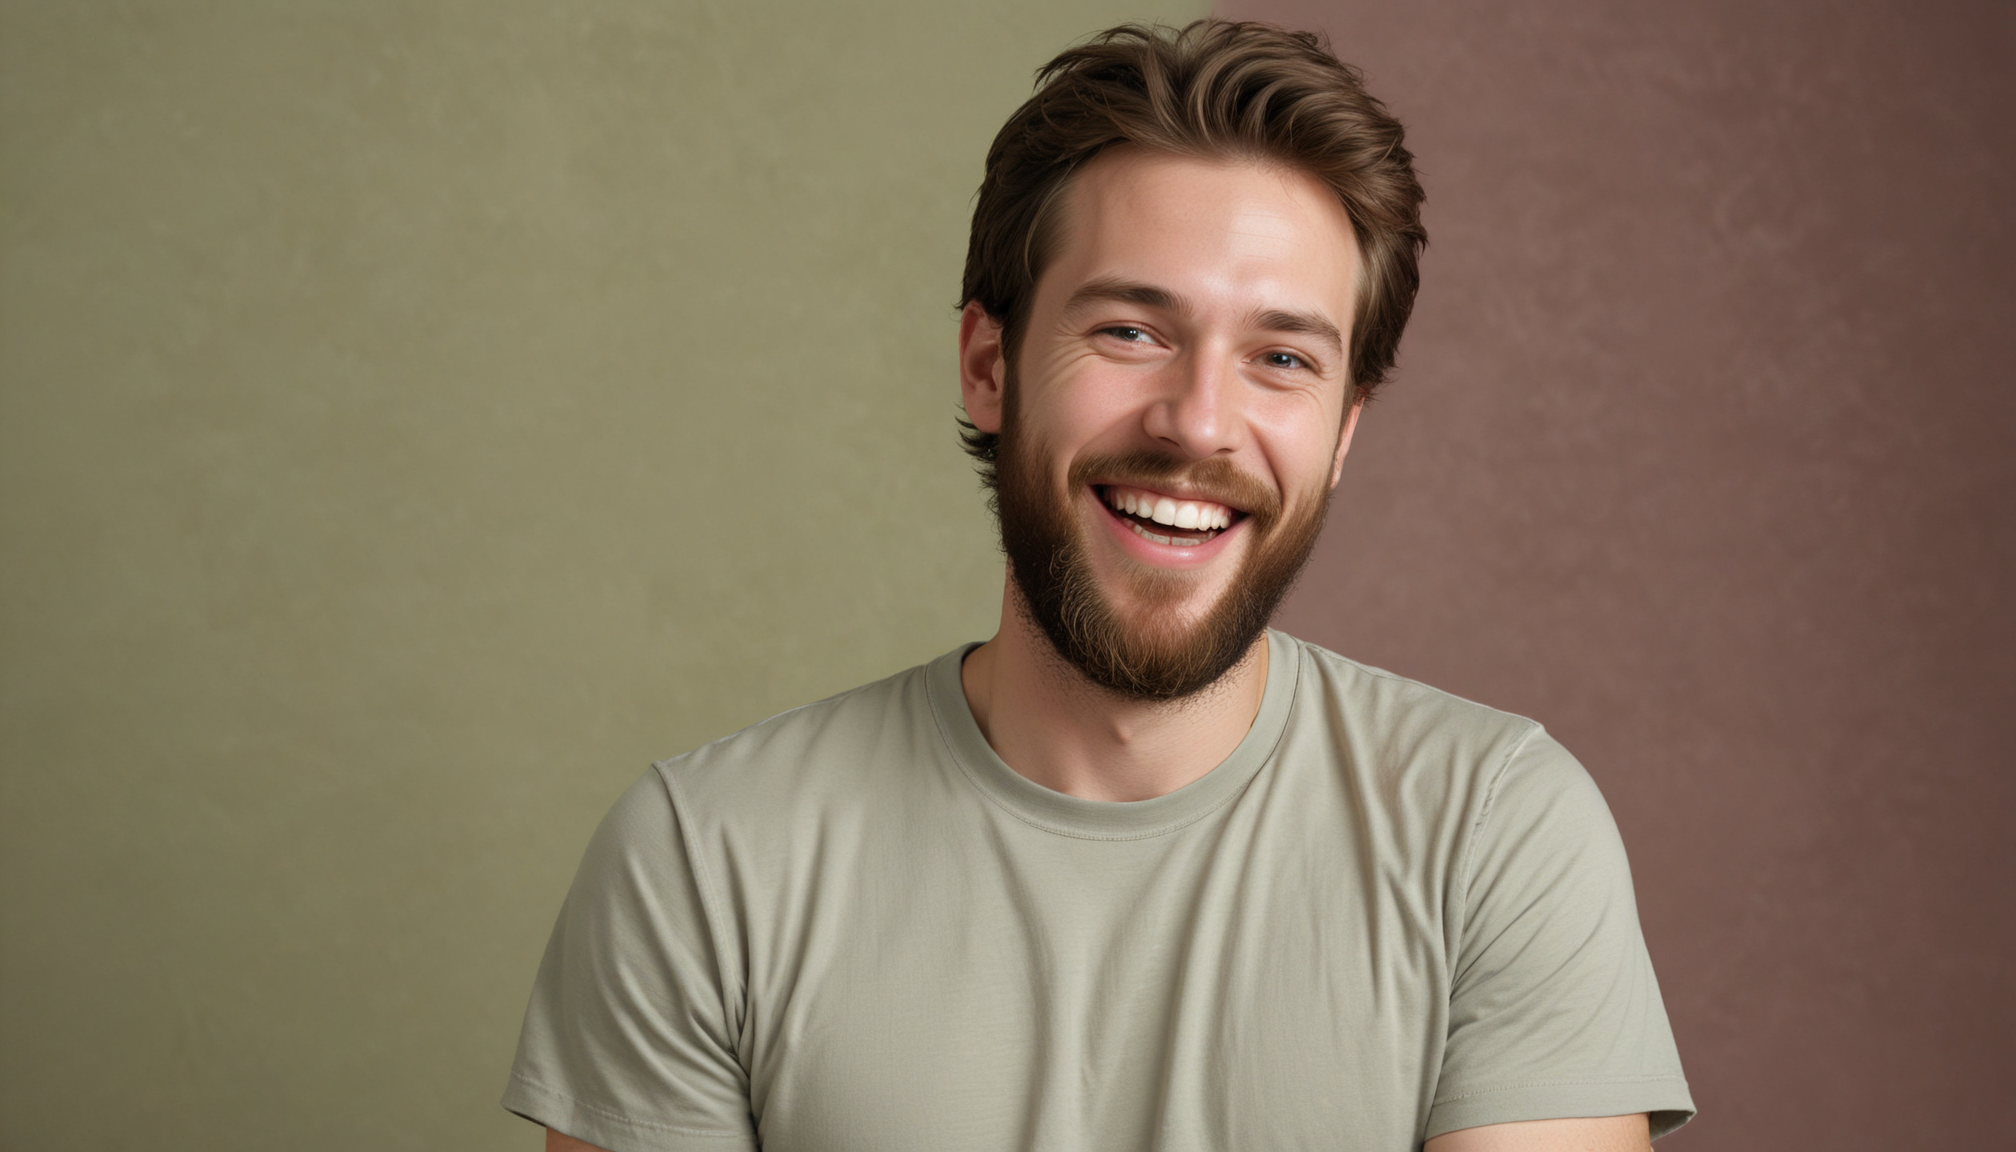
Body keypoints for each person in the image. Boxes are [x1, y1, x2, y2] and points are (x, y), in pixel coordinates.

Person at [502, 20, 1693, 1152]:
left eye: (1282, 359)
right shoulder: (705, 862)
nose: (1198, 424)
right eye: (1131, 331)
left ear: (1342, 431)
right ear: (989, 365)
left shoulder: (1495, 836)